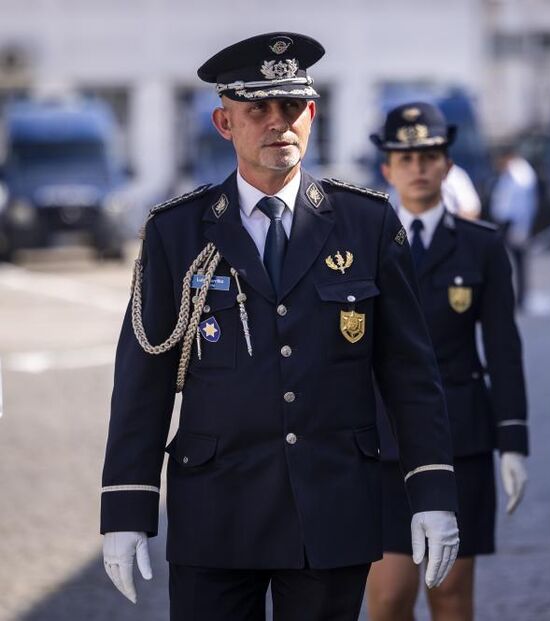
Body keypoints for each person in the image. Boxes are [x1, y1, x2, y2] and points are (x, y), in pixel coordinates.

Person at [99, 33, 460, 621]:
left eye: (291, 107)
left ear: (312, 115)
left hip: (331, 504)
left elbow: (409, 372)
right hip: (217, 508)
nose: (278, 122)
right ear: (224, 122)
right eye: (257, 109)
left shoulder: (364, 223)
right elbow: (143, 377)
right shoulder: (178, 231)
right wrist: (125, 507)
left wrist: (434, 492)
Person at [365, 102, 529, 621]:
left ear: (447, 165)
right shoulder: (357, 243)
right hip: (381, 439)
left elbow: (502, 346)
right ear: (387, 167)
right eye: (405, 157)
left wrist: (513, 439)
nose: (418, 168)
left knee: (451, 593)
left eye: (429, 156)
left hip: (461, 436)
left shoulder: (480, 246)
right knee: (389, 597)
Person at [490, 143, 537, 308]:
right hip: (505, 222)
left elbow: (525, 205)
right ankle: (507, 295)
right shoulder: (509, 173)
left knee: (516, 261)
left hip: (514, 223)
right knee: (502, 261)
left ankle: (521, 298)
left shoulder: (521, 175)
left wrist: (522, 228)